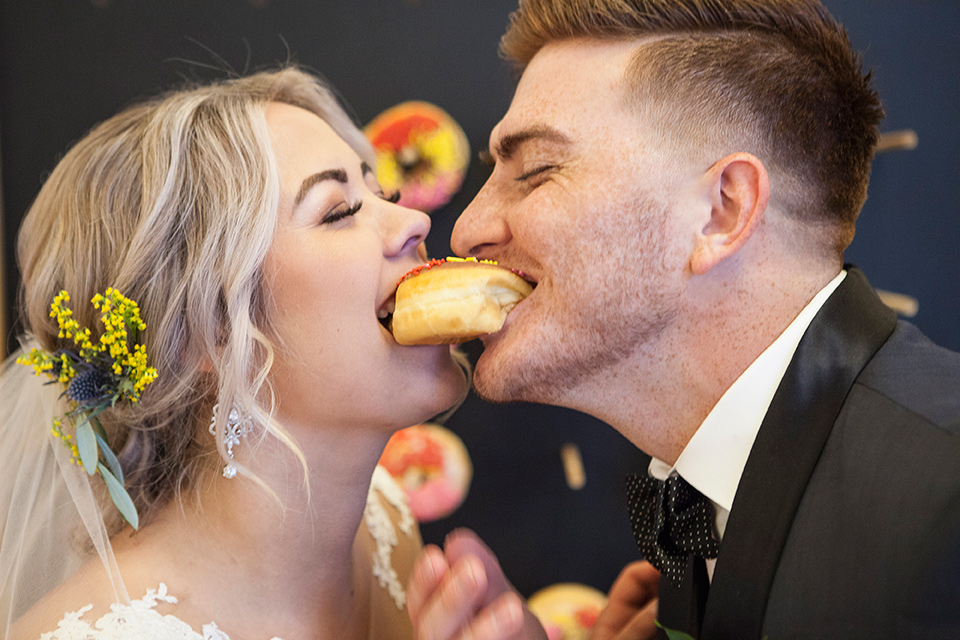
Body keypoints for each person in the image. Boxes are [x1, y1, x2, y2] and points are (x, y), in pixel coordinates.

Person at [406, 1, 960, 639]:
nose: (468, 229)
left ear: (722, 211)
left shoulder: (944, 505)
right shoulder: (698, 510)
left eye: (536, 172)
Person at [0, 66, 469, 639]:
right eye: (339, 211)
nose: (416, 221)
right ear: (206, 332)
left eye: (383, 194)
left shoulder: (387, 524)